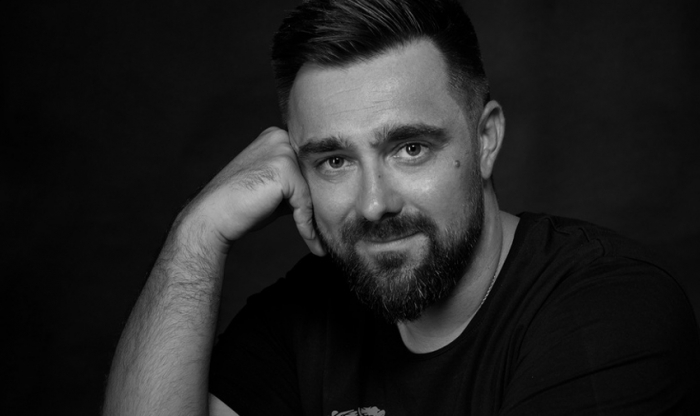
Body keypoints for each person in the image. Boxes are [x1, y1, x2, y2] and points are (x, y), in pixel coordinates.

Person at [103, 0, 700, 415]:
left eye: (410, 148)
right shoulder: (304, 317)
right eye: (334, 160)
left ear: (485, 140)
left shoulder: (608, 307)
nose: (374, 203)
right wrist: (198, 232)